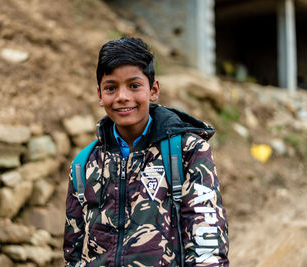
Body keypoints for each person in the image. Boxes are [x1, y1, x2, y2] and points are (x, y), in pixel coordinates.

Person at [63, 37, 229, 266]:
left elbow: (208, 244)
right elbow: (72, 254)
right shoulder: (84, 165)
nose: (122, 96)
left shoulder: (187, 152)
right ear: (100, 95)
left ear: (153, 90)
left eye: (134, 85)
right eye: (111, 87)